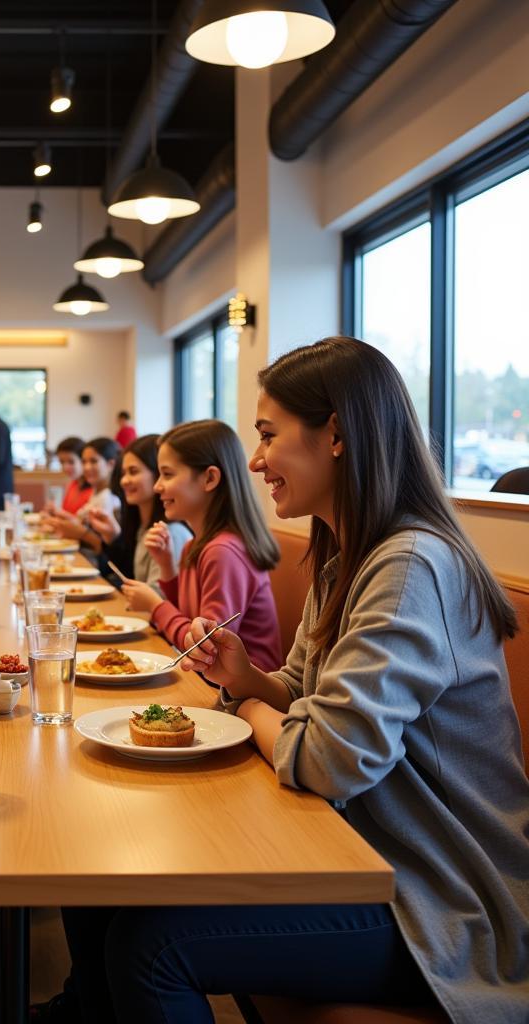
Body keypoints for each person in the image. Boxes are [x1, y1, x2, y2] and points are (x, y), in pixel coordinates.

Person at [54, 338, 529, 1024]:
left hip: (442, 899)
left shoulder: (410, 566)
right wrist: (251, 678)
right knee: (110, 876)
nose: (254, 461)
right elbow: (303, 687)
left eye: (268, 435)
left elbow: (331, 758)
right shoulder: (346, 553)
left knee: (152, 947)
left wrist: (246, 703)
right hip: (359, 853)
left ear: (335, 434)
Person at [120, 420, 283, 672]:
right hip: (213, 684)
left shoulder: (223, 551)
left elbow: (206, 650)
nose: (157, 486)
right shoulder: (194, 545)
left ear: (209, 478)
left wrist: (156, 606)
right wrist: (166, 567)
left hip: (242, 697)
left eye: (168, 474)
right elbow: (191, 618)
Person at [83, 434, 190, 590]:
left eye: (133, 472)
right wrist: (113, 538)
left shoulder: (171, 532)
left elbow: (158, 596)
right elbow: (130, 575)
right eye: (123, 473)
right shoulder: (140, 525)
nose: (124, 481)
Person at [41, 437, 122, 557]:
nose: (87, 467)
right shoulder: (95, 492)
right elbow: (80, 523)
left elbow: (106, 548)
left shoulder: (111, 499)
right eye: (84, 462)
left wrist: (80, 532)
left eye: (93, 461)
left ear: (110, 464)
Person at [54, 436, 93, 516]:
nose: (65, 467)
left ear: (84, 461)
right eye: (62, 462)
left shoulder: (93, 490)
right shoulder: (73, 485)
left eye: (71, 462)